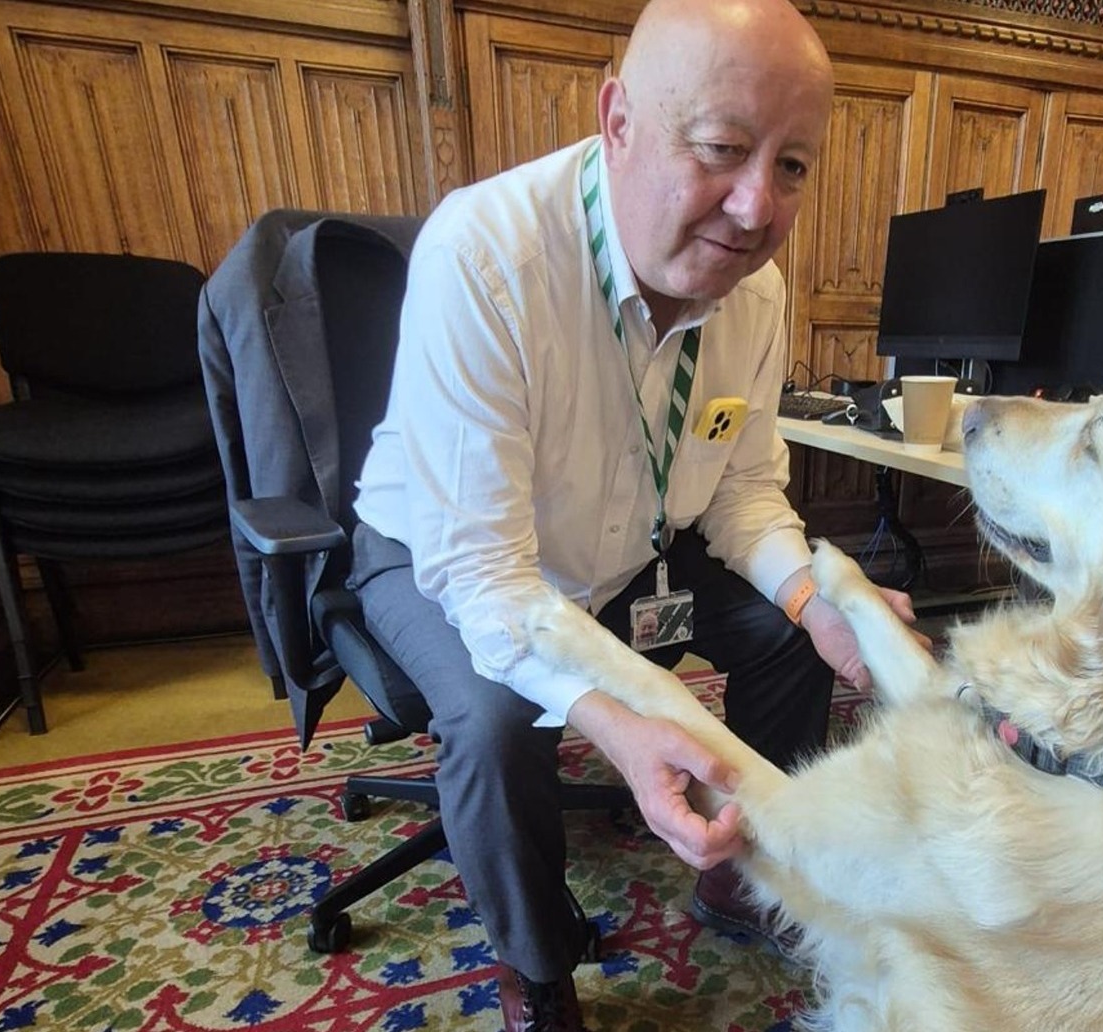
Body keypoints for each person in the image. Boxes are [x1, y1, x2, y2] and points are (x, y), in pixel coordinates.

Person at [350, 0, 918, 1027]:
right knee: (491, 720)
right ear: (617, 120)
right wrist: (616, 724)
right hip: (441, 554)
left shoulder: (758, 290)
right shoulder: (485, 255)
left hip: (636, 552)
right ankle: (537, 969)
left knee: (793, 636)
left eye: (792, 165)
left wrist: (812, 595)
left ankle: (739, 873)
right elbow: (488, 580)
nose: (755, 209)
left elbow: (743, 490)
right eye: (722, 148)